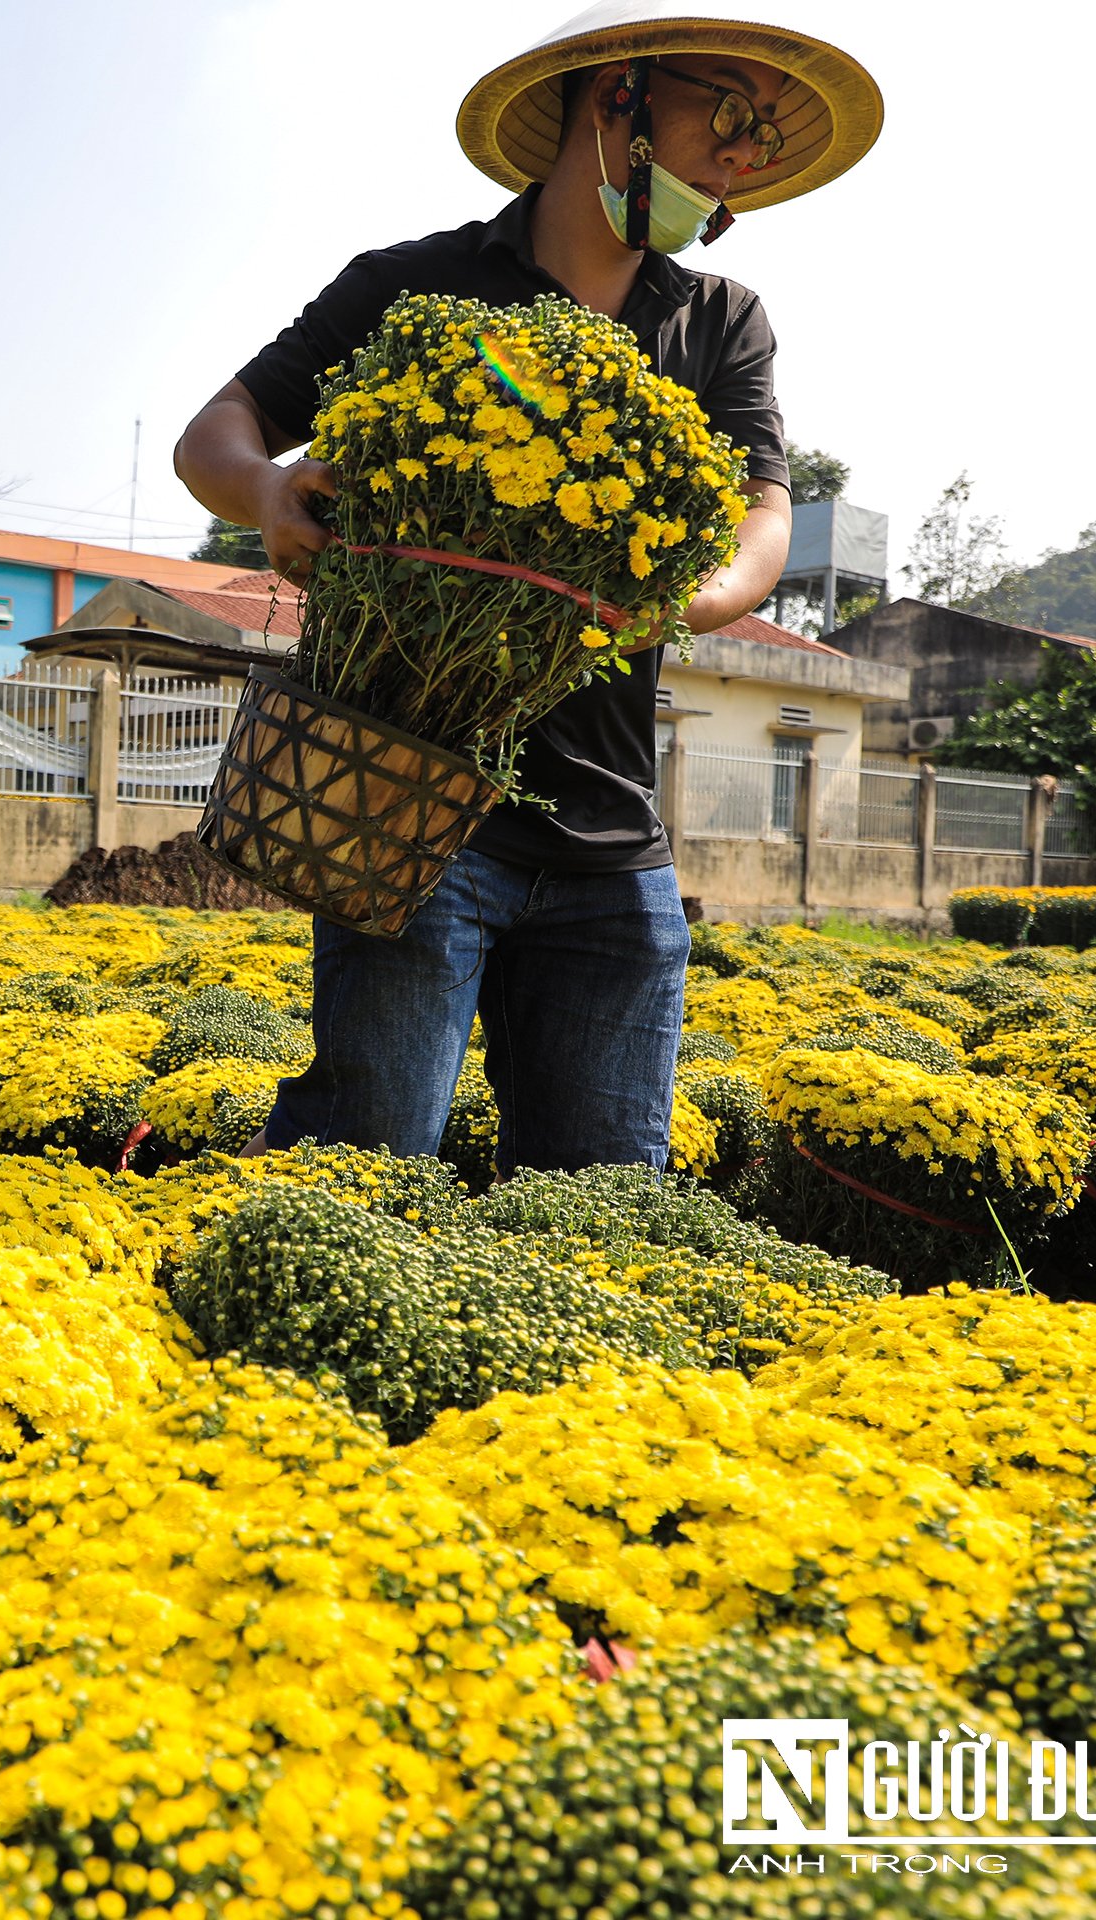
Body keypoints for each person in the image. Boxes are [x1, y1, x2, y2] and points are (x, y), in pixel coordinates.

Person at [171, 1, 881, 1174]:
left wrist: (698, 594)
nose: (746, 155)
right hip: (404, 806)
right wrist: (263, 492)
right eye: (733, 111)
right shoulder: (414, 288)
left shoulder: (717, 322)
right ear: (620, 93)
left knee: (602, 1204)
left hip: (610, 839)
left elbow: (763, 512)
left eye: (765, 136)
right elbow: (219, 428)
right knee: (366, 1162)